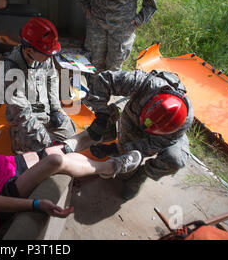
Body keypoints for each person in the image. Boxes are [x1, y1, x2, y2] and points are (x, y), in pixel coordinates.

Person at [0, 112, 141, 234]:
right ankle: (111, 168)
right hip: (3, 190)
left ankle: (93, 142)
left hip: (5, 164)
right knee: (55, 161)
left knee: (59, 149)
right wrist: (36, 204)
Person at [83, 69, 194, 200]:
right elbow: (104, 80)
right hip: (133, 118)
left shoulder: (182, 122)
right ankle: (115, 139)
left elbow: (154, 144)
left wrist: (115, 149)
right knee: (124, 171)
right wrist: (102, 115)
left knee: (175, 159)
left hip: (163, 138)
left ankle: (142, 175)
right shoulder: (143, 83)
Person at [3, 17, 76, 153]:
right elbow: (20, 113)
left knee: (72, 136)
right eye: (46, 54)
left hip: (46, 113)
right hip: (25, 120)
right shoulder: (11, 69)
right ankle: (16, 136)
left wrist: (55, 109)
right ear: (29, 50)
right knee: (40, 153)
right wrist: (47, 140)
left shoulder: (42, 56)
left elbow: (52, 79)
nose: (49, 58)